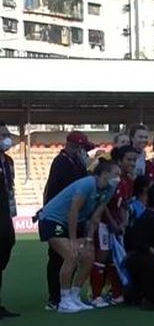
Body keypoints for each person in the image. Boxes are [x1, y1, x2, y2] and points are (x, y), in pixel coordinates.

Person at [38, 160, 120, 313]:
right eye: (116, 174)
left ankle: (75, 296)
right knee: (71, 255)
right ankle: (64, 300)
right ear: (104, 174)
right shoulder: (86, 185)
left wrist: (89, 239)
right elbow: (73, 212)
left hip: (78, 222)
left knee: (89, 255)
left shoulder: (110, 188)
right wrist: (74, 240)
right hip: (52, 219)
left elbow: (96, 215)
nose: (118, 178)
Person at [43, 130, 95, 310]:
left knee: (72, 256)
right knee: (60, 257)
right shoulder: (62, 163)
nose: (84, 153)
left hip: (70, 216)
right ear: (75, 146)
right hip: (60, 216)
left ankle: (68, 295)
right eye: (82, 148)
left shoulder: (75, 163)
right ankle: (56, 298)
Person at [90, 145, 138, 308]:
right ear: (119, 160)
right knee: (101, 257)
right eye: (129, 159)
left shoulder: (129, 181)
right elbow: (102, 204)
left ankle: (116, 294)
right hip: (103, 223)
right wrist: (111, 222)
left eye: (134, 160)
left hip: (117, 224)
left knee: (116, 259)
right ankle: (95, 295)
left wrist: (123, 222)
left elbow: (124, 204)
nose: (132, 163)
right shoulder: (112, 179)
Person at [0, 123, 18, 319]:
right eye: (3, 135)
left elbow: (10, 188)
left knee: (6, 247)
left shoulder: (8, 161)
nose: (7, 138)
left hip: (6, 213)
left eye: (7, 134)